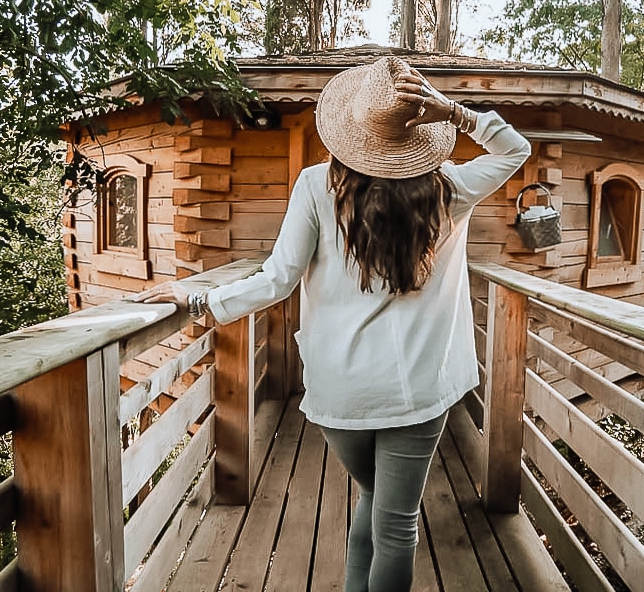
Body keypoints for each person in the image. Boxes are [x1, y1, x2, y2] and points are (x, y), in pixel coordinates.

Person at [137, 56, 531, 592]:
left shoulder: (316, 186)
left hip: (341, 392)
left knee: (373, 500)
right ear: (420, 135)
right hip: (421, 388)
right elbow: (516, 149)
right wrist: (456, 112)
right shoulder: (450, 189)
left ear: (348, 132)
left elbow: (277, 279)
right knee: (396, 524)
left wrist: (200, 299)